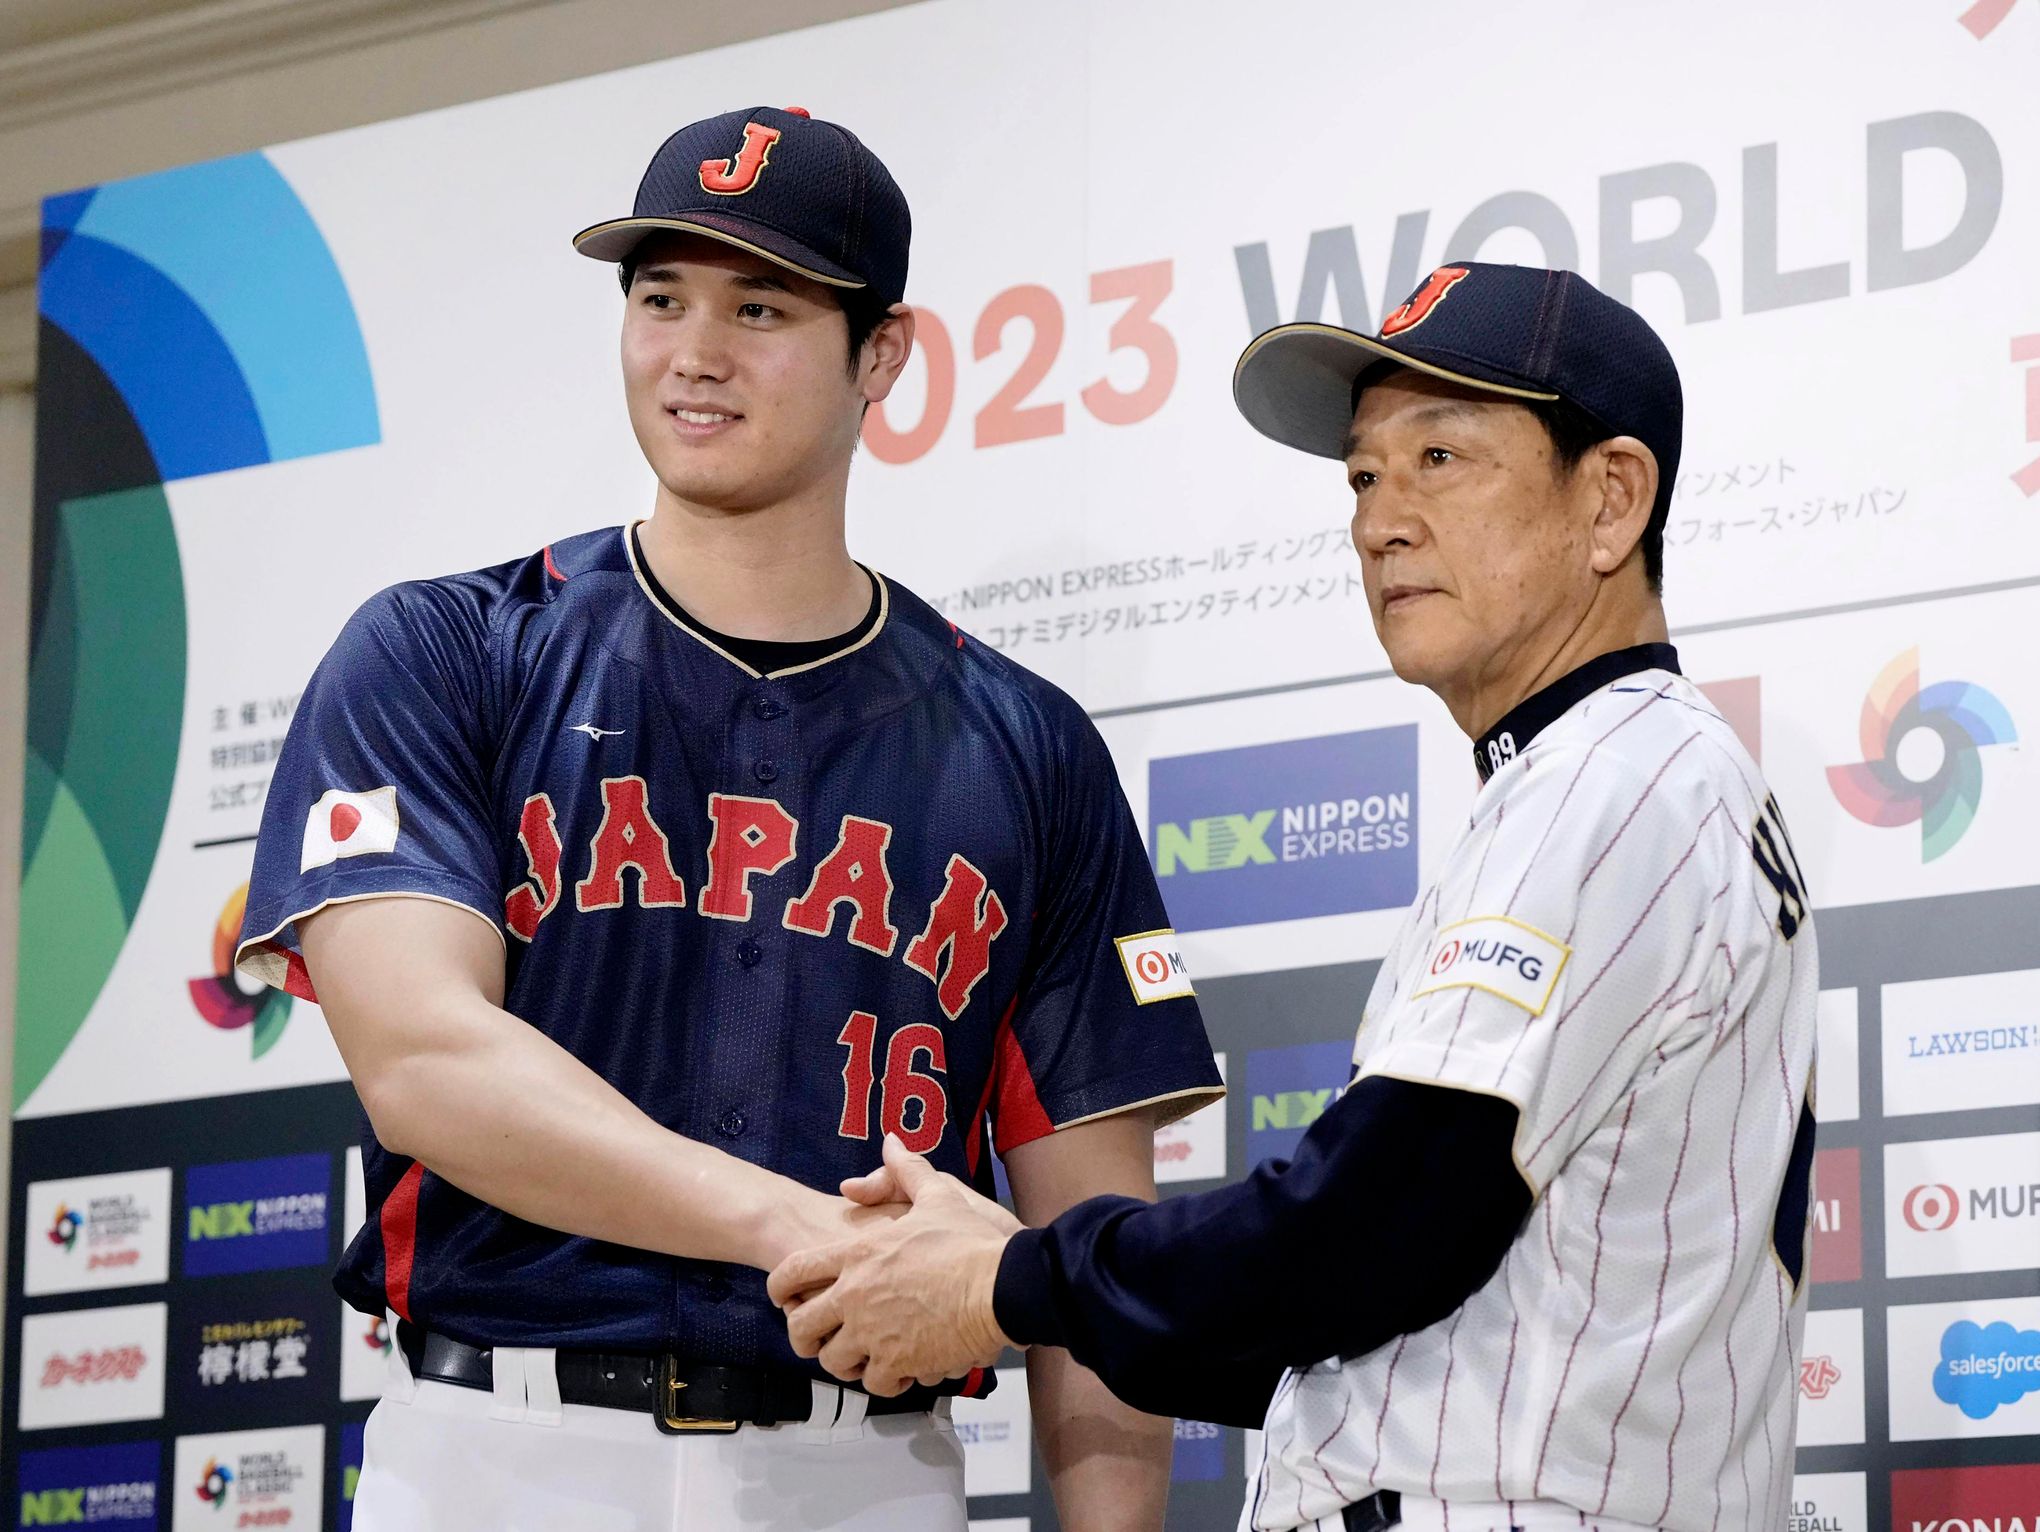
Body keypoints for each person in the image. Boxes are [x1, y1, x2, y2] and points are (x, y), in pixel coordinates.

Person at [234, 104, 1222, 1532]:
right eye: (658, 298)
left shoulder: (1032, 749)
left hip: (866, 1474)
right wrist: (806, 1231)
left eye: (759, 306)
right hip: (501, 1452)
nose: (694, 351)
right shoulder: (445, 650)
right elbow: (426, 1064)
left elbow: (1091, 1247)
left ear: (882, 355)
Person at [769, 262, 1820, 1532]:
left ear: (1611, 501)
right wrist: (1017, 1272)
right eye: (1366, 476)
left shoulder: (1605, 780)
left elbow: (1373, 1225)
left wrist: (1004, 1276)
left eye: (1442, 456)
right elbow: (1380, 1312)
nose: (1382, 519)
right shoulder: (1632, 773)